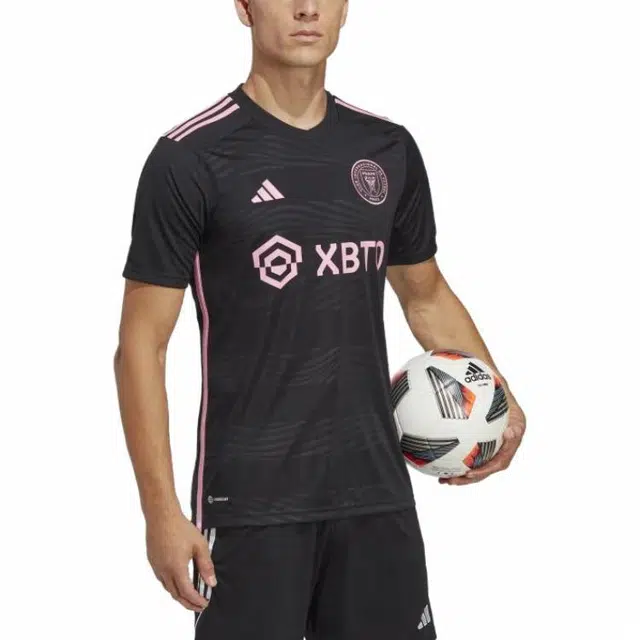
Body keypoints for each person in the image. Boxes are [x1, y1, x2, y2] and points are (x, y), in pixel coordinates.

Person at [114, 1, 527, 638]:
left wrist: (498, 396)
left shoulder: (386, 149)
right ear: (245, 7)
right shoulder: (191, 157)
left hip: (375, 494)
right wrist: (160, 511)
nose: (307, 8)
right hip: (250, 506)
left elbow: (424, 295)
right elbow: (142, 347)